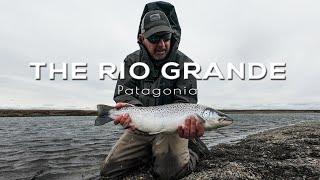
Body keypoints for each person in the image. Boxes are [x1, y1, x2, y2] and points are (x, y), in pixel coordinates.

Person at [100, 2, 209, 179]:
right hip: (141, 127)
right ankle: (152, 150)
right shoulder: (131, 61)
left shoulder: (185, 64)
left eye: (165, 37)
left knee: (167, 173)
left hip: (172, 129)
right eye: (154, 39)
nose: (162, 45)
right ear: (142, 38)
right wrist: (132, 112)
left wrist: (186, 126)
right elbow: (123, 93)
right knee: (109, 170)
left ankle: (193, 149)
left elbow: (186, 103)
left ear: (172, 35)